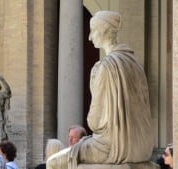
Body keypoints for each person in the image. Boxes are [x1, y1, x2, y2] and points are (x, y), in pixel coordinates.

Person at [47, 11, 154, 169]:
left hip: (112, 147)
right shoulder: (135, 65)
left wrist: (94, 82)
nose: (90, 37)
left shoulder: (107, 67)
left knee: (53, 162)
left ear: (104, 31)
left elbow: (94, 122)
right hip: (142, 148)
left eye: (93, 30)